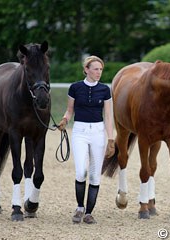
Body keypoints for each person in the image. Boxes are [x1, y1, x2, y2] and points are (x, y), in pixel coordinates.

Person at [58, 55, 115, 224]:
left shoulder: (105, 90)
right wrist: (64, 120)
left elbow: (109, 116)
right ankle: (79, 207)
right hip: (80, 131)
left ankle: (89, 213)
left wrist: (111, 139)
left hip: (98, 132)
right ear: (86, 70)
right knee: (81, 171)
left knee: (95, 175)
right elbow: (70, 110)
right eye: (96, 69)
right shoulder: (75, 88)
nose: (99, 72)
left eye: (101, 69)